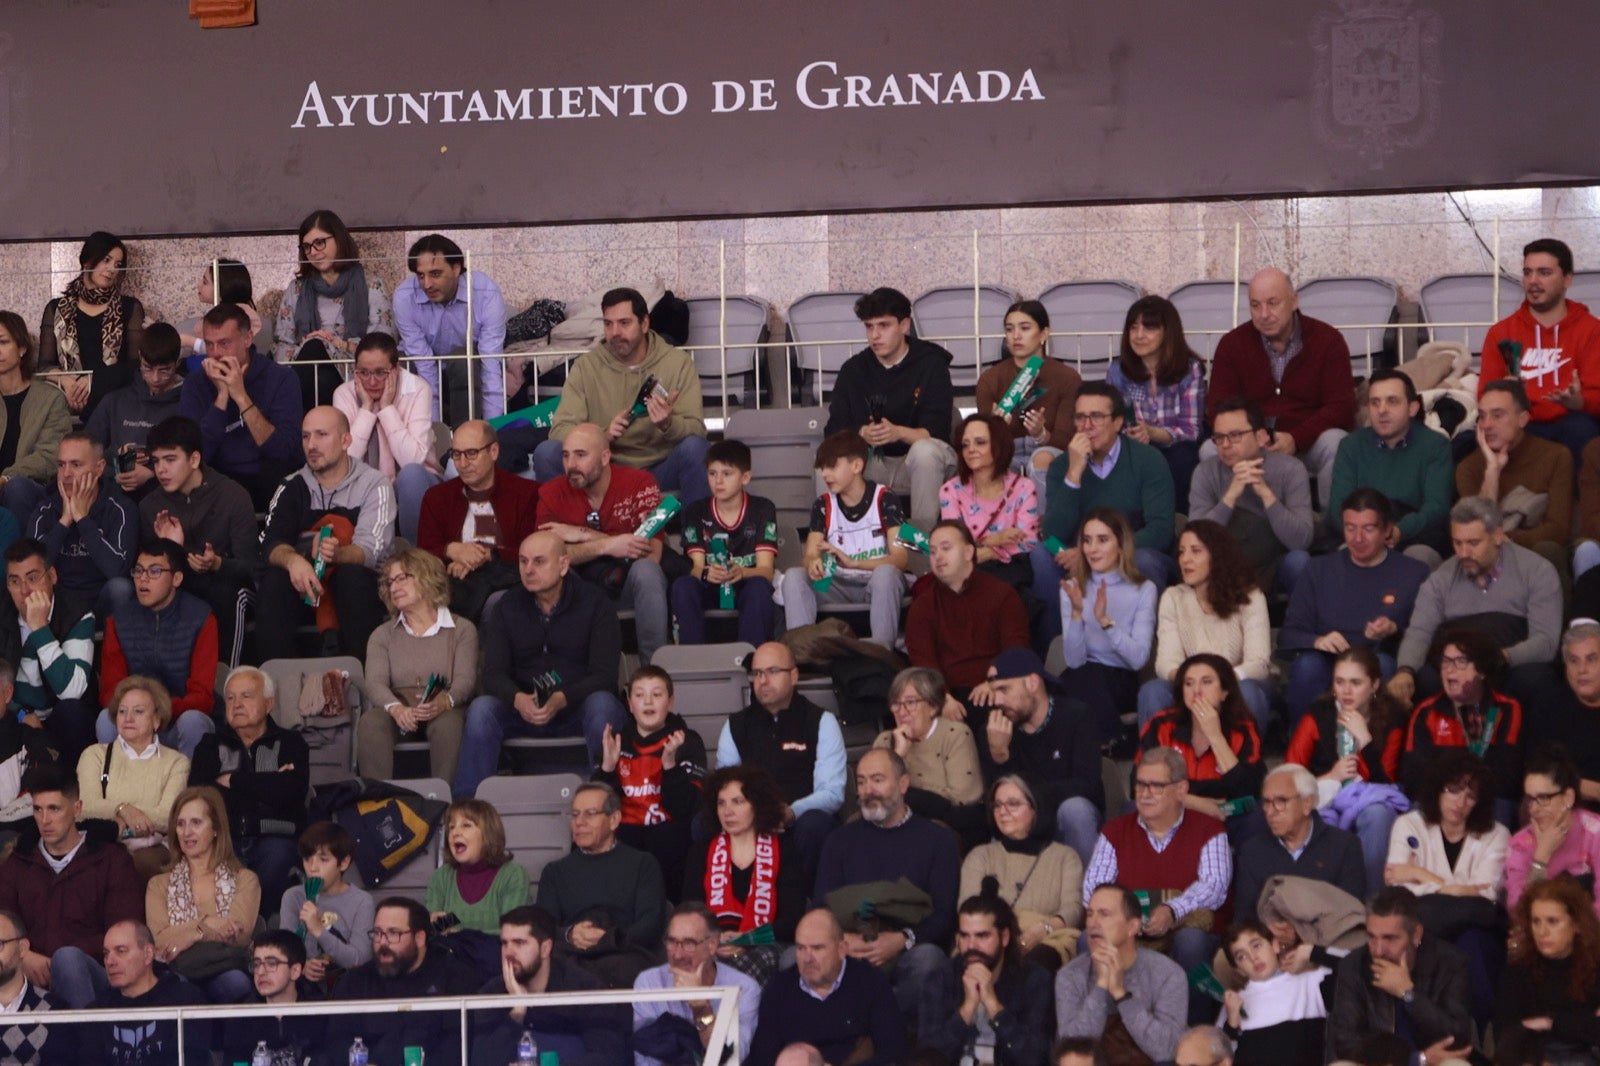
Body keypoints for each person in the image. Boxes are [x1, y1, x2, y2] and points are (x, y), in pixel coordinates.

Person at [453, 531, 628, 799]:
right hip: (523, 708)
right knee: (482, 709)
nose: (528, 570)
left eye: (539, 562)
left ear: (563, 565)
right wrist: (517, 699)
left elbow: (604, 675)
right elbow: (493, 675)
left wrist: (562, 698)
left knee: (603, 704)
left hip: (576, 706)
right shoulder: (506, 606)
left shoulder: (596, 604)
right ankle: (469, 809)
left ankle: (607, 800)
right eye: (523, 562)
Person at [1082, 749, 1229, 1023]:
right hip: (1129, 931)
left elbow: (1214, 888)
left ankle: (1194, 1035)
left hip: (1186, 931)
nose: (1145, 792)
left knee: (1191, 941)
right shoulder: (1115, 831)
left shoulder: (1209, 830)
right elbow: (1094, 889)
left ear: (1181, 789)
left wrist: (1172, 910)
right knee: (1087, 940)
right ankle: (1106, 1035)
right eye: (1140, 783)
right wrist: (1127, 923)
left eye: (1156, 785)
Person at [813, 748, 960, 1021]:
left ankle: (882, 1030)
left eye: (878, 780)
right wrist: (843, 940)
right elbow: (821, 907)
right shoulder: (839, 841)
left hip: (907, 950)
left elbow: (944, 916)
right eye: (861, 781)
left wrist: (901, 939)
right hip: (849, 948)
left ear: (903, 784)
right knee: (793, 960)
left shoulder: (938, 840)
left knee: (929, 961)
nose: (868, 790)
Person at [536, 287, 710, 502]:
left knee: (697, 450)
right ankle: (577, 529)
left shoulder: (677, 363)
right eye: (608, 324)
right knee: (546, 453)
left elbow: (698, 430)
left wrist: (668, 424)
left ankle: (695, 534)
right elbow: (560, 430)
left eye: (624, 323)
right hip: (604, 471)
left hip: (660, 468)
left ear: (644, 324)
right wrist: (602, 436)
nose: (615, 332)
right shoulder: (585, 367)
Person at [1030, 382, 1176, 635]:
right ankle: (1055, 648)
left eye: (1096, 417)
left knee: (1147, 560)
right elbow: (1052, 533)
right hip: (1076, 554)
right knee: (1041, 555)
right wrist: (1074, 473)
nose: (1087, 425)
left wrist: (1095, 554)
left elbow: (1161, 530)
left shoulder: (1148, 460)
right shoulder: (1062, 466)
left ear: (1118, 422)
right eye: (1080, 417)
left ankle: (1145, 646)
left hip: (1130, 552)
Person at [1388, 496, 1562, 707]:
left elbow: (1546, 642)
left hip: (1508, 662)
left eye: (1473, 543)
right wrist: (1405, 671)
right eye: (1457, 543)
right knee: (1422, 680)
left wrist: (1497, 658)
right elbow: (1419, 632)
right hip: (1453, 666)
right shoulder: (1441, 578)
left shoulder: (1537, 571)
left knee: (1537, 678)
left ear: (1497, 535)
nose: (1463, 553)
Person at [1206, 267, 1355, 510]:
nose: (1264, 314)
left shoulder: (1328, 340)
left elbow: (1342, 407)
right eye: (1255, 305)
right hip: (1250, 442)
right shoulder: (1232, 345)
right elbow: (1218, 407)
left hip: (1309, 441)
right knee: (1208, 451)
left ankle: (1334, 529)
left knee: (1336, 443)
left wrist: (1297, 438)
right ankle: (1237, 530)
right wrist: (1251, 437)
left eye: (1273, 303)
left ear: (1294, 300)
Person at [257, 405, 396, 662]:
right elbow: (270, 543)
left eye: (321, 435)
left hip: (354, 589)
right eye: (305, 436)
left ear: (346, 440)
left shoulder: (374, 484)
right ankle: (275, 685)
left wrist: (337, 554)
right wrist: (293, 560)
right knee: (275, 580)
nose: (311, 445)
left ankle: (364, 683)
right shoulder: (291, 485)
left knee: (352, 576)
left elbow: (371, 551)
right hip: (300, 590)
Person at [1279, 488, 1428, 725]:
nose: (1357, 538)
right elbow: (1289, 634)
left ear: (1387, 530)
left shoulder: (1413, 573)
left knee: (1385, 665)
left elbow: (1424, 636)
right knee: (1307, 666)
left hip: (1378, 657)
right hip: (1327, 659)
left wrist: (1394, 630)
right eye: (1350, 528)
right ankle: (1303, 749)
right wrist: (1317, 641)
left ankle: (1377, 752)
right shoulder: (1318, 570)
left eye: (1368, 529)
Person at [0, 763, 142, 1010]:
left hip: (96, 977)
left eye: (54, 809)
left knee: (68, 960)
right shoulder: (17, 863)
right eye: (38, 810)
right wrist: (25, 955)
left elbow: (125, 934)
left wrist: (57, 960)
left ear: (77, 809)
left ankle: (86, 1046)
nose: (45, 820)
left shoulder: (111, 860)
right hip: (27, 975)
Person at [822, 286, 958, 532]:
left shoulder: (931, 364)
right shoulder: (853, 370)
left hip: (918, 463)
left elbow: (937, 432)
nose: (875, 335)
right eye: (869, 327)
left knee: (925, 452)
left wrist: (898, 433)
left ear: (904, 325)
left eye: (883, 326)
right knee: (830, 460)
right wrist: (861, 433)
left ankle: (921, 544)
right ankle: (842, 539)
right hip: (873, 461)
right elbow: (833, 432)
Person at [1385, 749, 1507, 1023]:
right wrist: (1461, 891)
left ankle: (1479, 1030)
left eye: (1471, 796)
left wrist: (1420, 874)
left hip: (1469, 928)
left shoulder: (1497, 834)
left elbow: (1486, 896)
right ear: (1437, 789)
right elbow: (1399, 889)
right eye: (1453, 790)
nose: (1461, 802)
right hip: (1423, 925)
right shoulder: (1409, 825)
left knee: (1474, 940)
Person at [536, 421, 672, 662]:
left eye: (581, 455)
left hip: (628, 587)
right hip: (578, 590)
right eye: (566, 456)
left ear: (605, 456)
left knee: (647, 572)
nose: (571, 465)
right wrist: (608, 545)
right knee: (556, 575)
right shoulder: (550, 493)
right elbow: (547, 561)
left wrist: (584, 535)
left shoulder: (641, 483)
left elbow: (651, 556)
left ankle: (655, 672)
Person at [715, 641, 846, 884]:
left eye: (773, 671)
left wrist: (789, 813)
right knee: (702, 823)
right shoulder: (736, 725)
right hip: (748, 819)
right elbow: (724, 787)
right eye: (757, 673)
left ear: (794, 675)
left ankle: (805, 904)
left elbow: (832, 793)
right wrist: (754, 815)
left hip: (798, 822)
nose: (763, 680)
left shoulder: (821, 722)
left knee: (816, 823)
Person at [187, 665, 310, 916]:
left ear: (269, 704)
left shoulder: (291, 743)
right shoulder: (210, 744)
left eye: (246, 696)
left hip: (274, 838)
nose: (237, 704)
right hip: (224, 841)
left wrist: (232, 781)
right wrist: (267, 784)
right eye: (230, 697)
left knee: (279, 856)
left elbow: (292, 794)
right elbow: (201, 797)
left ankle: (257, 927)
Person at [139, 415, 258, 668]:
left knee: (229, 595)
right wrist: (171, 550)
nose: (161, 470)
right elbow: (146, 571)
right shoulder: (151, 505)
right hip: (182, 583)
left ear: (194, 459)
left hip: (228, 584)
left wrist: (217, 564)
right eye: (156, 461)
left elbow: (251, 567)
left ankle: (226, 679)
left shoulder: (232, 495)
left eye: (170, 460)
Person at [1285, 647, 1409, 892]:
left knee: (1378, 814)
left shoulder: (1393, 718)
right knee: (1319, 819)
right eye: (1339, 682)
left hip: (1371, 797)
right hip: (1324, 796)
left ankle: (1372, 904)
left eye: (1355, 682)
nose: (1346, 691)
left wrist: (1366, 741)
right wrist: (1331, 776)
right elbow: (1290, 776)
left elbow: (1388, 784)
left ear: (1374, 685)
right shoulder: (1319, 715)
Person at [357, 546, 478, 787]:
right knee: (372, 721)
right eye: (390, 581)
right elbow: (375, 682)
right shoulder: (382, 635)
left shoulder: (462, 629)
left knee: (449, 725)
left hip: (445, 708)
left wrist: (444, 701)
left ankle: (447, 807)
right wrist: (396, 709)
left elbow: (466, 680)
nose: (393, 587)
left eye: (402, 578)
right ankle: (375, 805)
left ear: (426, 576)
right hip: (397, 709)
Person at [778, 429, 911, 648]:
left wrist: (855, 563)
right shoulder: (823, 504)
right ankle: (802, 653)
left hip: (875, 584)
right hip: (835, 583)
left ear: (857, 466)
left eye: (832, 467)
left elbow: (901, 558)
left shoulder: (886, 497)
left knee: (887, 574)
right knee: (794, 576)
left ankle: (881, 652)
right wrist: (813, 563)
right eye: (822, 468)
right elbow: (810, 553)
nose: (825, 475)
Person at [1137, 521, 1272, 733]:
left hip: (1236, 685)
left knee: (1249, 691)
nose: (1185, 559)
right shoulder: (1173, 598)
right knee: (1153, 691)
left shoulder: (1251, 596)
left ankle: (1243, 763)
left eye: (1195, 551)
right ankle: (1162, 764)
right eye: (1181, 552)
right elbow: (1166, 664)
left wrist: (1215, 683)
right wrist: (1195, 685)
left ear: (1217, 556)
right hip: (1189, 687)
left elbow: (1259, 663)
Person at [976, 647, 1104, 865]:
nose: (996, 700)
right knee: (1002, 820)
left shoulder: (1076, 716)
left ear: (1032, 683)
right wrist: (999, 756)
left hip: (1067, 817)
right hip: (1022, 819)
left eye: (1004, 689)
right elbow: (994, 798)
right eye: (993, 691)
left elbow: (1087, 784)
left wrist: (1029, 798)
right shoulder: (994, 729)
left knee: (1075, 810)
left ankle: (1090, 895)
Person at [535, 781, 669, 988]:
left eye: (590, 813)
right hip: (571, 956)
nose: (579, 822)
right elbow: (543, 928)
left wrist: (608, 939)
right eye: (575, 814)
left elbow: (650, 926)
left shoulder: (643, 864)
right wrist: (570, 934)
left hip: (624, 955)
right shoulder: (554, 872)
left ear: (614, 820)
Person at [1478, 237, 1600, 461]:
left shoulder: (1592, 330)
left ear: (1567, 279)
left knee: (1582, 432)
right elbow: (1484, 396)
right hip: (1521, 424)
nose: (1533, 281)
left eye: (1544, 273)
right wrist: (1506, 398)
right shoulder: (1501, 333)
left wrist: (1579, 402)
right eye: (1527, 273)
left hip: (1573, 423)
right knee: (1475, 440)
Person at [593, 665, 707, 905]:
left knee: (670, 836)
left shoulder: (688, 741)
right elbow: (596, 807)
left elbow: (686, 809)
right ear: (629, 703)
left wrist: (669, 766)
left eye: (657, 694)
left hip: (668, 833)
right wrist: (607, 770)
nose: (648, 702)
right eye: (639, 695)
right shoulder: (614, 742)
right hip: (625, 832)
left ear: (671, 701)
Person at [94, 539, 218, 758]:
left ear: (177, 578)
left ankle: (189, 792)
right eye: (139, 570)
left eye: (154, 571)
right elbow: (110, 691)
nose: (143, 578)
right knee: (106, 719)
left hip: (177, 719)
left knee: (194, 721)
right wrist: (139, 712)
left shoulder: (200, 617)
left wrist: (156, 710)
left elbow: (202, 696)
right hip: (135, 720)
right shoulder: (119, 620)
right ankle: (118, 790)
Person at [682, 765, 806, 983]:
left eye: (738, 802)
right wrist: (715, 938)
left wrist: (749, 939)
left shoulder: (784, 850)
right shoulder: (701, 851)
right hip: (712, 945)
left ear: (757, 806)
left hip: (768, 944)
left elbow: (792, 920)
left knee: (752, 965)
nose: (727, 811)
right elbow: (691, 912)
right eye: (721, 803)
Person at [1325, 887, 1475, 1065]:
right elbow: (1346, 1042)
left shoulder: (1450, 962)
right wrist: (1418, 1059)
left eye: (1390, 939)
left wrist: (1408, 994)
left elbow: (1457, 1036)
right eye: (1372, 937)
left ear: (1416, 934)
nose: (1378, 950)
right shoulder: (1353, 966)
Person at [177, 302, 304, 512]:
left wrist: (241, 395)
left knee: (278, 474)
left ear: (247, 339)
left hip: (268, 477)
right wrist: (222, 396)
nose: (215, 353)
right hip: (219, 479)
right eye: (209, 344)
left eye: (224, 343)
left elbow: (283, 450)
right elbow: (196, 455)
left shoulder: (282, 379)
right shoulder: (195, 383)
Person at [324, 897, 480, 1066]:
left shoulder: (454, 979)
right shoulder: (354, 981)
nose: (382, 942)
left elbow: (457, 1049)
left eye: (393, 933)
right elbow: (335, 1042)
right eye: (377, 933)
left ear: (420, 938)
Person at [470, 904, 628, 1066]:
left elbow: (609, 1057)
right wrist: (517, 1013)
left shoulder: (583, 990)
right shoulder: (491, 993)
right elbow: (478, 1060)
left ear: (545, 948)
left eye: (519, 943)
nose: (508, 952)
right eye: (504, 943)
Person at [744, 908, 906, 1066]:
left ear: (842, 949)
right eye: (801, 948)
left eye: (817, 948)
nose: (808, 958)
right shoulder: (779, 988)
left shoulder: (870, 983)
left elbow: (893, 1054)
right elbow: (761, 1058)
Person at [144, 785, 260, 1003]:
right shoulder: (158, 885)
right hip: (177, 971)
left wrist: (194, 934)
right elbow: (160, 941)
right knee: (180, 991)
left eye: (196, 823)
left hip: (224, 969)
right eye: (180, 824)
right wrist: (210, 923)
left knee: (235, 983)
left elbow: (238, 935)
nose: (186, 832)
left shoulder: (245, 879)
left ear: (216, 828)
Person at [416, 419, 541, 620]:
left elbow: (534, 551)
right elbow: (422, 555)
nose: (463, 464)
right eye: (456, 455)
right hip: (453, 581)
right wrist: (451, 550)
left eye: (471, 453)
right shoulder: (437, 497)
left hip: (506, 579)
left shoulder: (527, 494)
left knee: (500, 603)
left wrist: (485, 556)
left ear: (493, 452)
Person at [1187, 397, 1314, 595]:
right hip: (1222, 568)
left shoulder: (1290, 469)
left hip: (1273, 565)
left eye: (1235, 435)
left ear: (1261, 436)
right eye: (1219, 438)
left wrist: (1265, 493)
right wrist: (1230, 496)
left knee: (1300, 562)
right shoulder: (1205, 472)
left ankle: (1299, 625)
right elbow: (1195, 542)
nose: (1225, 445)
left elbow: (1301, 540)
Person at [961, 775, 1085, 973]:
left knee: (1036, 967)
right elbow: (968, 909)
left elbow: (1074, 910)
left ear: (1035, 809)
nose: (1003, 812)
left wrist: (1043, 929)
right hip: (987, 938)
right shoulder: (980, 856)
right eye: (997, 805)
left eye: (1013, 804)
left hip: (1050, 940)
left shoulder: (1065, 857)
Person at [1327, 368, 1454, 561]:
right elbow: (1338, 507)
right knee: (1345, 556)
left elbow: (1437, 507)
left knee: (1417, 558)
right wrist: (1368, 533)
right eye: (1375, 403)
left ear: (1412, 408)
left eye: (1392, 401)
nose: (1382, 410)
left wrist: (1398, 531)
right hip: (1363, 535)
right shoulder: (1351, 446)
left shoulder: (1436, 446)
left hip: (1417, 538)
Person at [273, 208, 394, 409]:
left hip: (354, 375)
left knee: (318, 349)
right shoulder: (296, 290)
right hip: (304, 372)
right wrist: (311, 344)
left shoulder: (371, 286)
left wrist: (336, 344)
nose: (313, 252)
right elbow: (281, 348)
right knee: (313, 350)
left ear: (338, 239)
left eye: (319, 243)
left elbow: (384, 346)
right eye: (307, 247)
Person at [1401, 626, 1526, 820]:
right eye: (1446, 661)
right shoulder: (1426, 711)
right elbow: (1413, 776)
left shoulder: (1506, 709)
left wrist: (1465, 792)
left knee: (1501, 807)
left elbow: (1508, 777)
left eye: (1461, 662)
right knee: (1412, 817)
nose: (1450, 669)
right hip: (1438, 800)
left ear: (1482, 671)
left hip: (1487, 800)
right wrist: (1451, 795)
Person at [1054, 884, 1188, 1063]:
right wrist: (1101, 986)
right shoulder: (1070, 975)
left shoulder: (1168, 974)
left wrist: (1121, 995)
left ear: (1133, 927)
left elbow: (1166, 1050)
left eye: (1104, 914)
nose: (1093, 923)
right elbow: (1073, 1053)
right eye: (1090, 914)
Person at [331, 330, 444, 543]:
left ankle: (418, 559)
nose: (371, 381)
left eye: (380, 372)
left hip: (418, 482)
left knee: (410, 475)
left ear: (396, 370)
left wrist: (386, 408)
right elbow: (345, 462)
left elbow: (413, 461)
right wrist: (366, 409)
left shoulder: (418, 389)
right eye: (363, 372)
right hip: (365, 485)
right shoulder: (344, 393)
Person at [1456, 379, 1574, 581]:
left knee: (1549, 549)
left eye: (1497, 415)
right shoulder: (1468, 467)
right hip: (1486, 562)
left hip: (1537, 557)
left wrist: (1506, 539)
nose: (1487, 425)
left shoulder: (1556, 456)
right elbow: (1476, 533)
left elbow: (1558, 529)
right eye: (1482, 417)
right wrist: (1492, 470)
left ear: (1523, 419)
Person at [1059, 507, 1157, 748]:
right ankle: (1111, 741)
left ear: (1121, 544)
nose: (1093, 549)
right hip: (1082, 675)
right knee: (1073, 676)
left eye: (1102, 540)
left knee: (1076, 684)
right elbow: (1073, 661)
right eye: (1087, 540)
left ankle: (1106, 741)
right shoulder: (1071, 588)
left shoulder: (1144, 589)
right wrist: (1077, 614)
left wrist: (1106, 622)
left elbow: (1138, 660)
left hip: (1121, 678)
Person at [76, 676, 190, 880]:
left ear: (157, 719)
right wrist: (123, 809)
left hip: (151, 850)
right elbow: (86, 807)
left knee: (134, 864)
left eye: (138, 711)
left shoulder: (177, 762)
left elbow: (167, 817)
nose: (128, 718)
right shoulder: (94, 755)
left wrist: (119, 816)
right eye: (122, 711)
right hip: (104, 842)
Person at [923, 892, 1055, 1066]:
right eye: (964, 936)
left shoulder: (1034, 980)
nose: (971, 946)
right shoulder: (941, 978)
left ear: (1005, 937)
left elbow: (1035, 1060)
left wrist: (994, 1007)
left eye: (982, 936)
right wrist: (967, 1010)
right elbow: (927, 1059)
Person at [671, 438, 779, 646]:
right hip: (710, 585)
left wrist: (742, 572)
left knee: (759, 587)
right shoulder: (695, 510)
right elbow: (696, 567)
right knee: (683, 586)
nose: (718, 481)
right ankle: (692, 662)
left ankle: (752, 662)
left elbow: (766, 570)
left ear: (745, 477)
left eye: (727, 474)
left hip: (745, 583)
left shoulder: (763, 508)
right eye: (712, 474)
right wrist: (705, 573)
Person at [906, 522, 1030, 702]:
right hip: (946, 698)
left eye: (946, 548)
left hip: (998, 693)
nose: (938, 557)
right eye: (932, 552)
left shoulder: (1003, 595)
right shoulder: (922, 607)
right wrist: (943, 699)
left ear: (968, 553)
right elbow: (924, 664)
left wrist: (994, 683)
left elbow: (1016, 650)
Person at [1105, 295, 1208, 513]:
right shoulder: (1117, 371)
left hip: (1176, 448)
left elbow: (1192, 430)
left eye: (1149, 328)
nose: (1139, 335)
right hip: (1132, 447)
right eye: (1133, 328)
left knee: (1181, 459)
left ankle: (1178, 524)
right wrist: (1131, 433)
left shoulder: (1190, 370)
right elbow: (1112, 421)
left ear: (1167, 332)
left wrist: (1152, 432)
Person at [1138, 654, 1266, 828]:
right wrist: (1197, 804)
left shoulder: (1243, 728)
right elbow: (1138, 784)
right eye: (1188, 683)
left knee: (1255, 815)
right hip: (1174, 810)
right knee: (1135, 809)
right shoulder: (1161, 725)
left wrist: (1215, 736)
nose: (1196, 691)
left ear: (1225, 691)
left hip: (1226, 812)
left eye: (1206, 682)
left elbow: (1250, 792)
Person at [392, 232, 508, 422]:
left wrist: (494, 429)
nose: (427, 284)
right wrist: (435, 434)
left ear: (456, 268)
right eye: (421, 276)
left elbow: (490, 363)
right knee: (401, 366)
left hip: (468, 373)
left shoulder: (485, 291)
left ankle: (468, 441)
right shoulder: (404, 296)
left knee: (463, 358)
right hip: (421, 369)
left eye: (435, 274)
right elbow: (424, 363)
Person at [1233, 764, 1367, 925]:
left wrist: (1303, 940)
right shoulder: (1252, 851)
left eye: (1280, 801)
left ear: (1307, 803)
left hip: (1323, 945)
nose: (1270, 811)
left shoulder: (1344, 846)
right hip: (1269, 945)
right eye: (1267, 802)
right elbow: (1245, 920)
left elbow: (1351, 917)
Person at [2, 537, 97, 761]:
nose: (25, 590)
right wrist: (22, 714)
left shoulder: (77, 613)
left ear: (52, 576)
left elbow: (73, 690)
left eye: (33, 578)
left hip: (59, 717)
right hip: (15, 715)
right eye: (15, 581)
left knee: (73, 712)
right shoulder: (3, 611)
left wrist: (39, 628)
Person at [632, 904, 762, 1066]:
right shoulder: (649, 982)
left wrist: (701, 1007)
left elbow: (731, 1058)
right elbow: (646, 1057)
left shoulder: (744, 988)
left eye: (689, 944)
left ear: (712, 945)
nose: (677, 954)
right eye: (672, 942)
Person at [25, 432, 136, 620]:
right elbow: (30, 570)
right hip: (55, 602)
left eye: (76, 465)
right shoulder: (46, 508)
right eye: (61, 465)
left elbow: (118, 570)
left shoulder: (121, 509)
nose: (66, 474)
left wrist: (83, 520)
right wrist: (65, 521)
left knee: (121, 588)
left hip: (100, 601)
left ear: (99, 468)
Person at [37, 231, 144, 422]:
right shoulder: (56, 309)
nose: (112, 269)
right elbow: (44, 366)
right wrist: (70, 384)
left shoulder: (129, 307)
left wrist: (94, 381)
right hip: (67, 405)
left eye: (118, 265)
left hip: (113, 402)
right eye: (106, 260)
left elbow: (135, 365)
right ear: (87, 261)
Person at [1494, 876, 1600, 1066]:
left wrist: (1549, 1022)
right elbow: (1507, 1034)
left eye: (1552, 921)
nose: (1542, 932)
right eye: (1536, 921)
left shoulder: (1595, 966)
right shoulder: (1519, 970)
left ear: (1576, 924)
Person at [976, 299, 1082, 484]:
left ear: (1044, 333)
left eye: (1024, 328)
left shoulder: (1067, 377)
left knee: (1042, 460)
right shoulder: (989, 379)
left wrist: (1041, 434)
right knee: (994, 464)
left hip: (1050, 450)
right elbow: (983, 442)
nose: (1016, 336)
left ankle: (1042, 514)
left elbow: (1066, 441)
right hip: (1007, 450)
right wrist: (996, 426)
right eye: (1009, 329)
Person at [872, 666, 984, 835]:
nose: (902, 712)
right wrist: (898, 756)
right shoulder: (886, 741)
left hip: (948, 825)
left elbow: (963, 797)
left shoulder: (955, 734)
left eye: (910, 703)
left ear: (932, 706)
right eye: (896, 704)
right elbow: (875, 795)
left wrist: (910, 793)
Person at [426, 799, 530, 979]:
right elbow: (431, 931)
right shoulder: (441, 877)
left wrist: (461, 934)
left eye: (466, 825)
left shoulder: (513, 875)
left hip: (495, 967)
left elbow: (512, 933)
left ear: (488, 834)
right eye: (451, 827)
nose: (455, 832)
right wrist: (434, 924)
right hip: (451, 968)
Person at [940, 412, 1042, 595]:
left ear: (998, 446)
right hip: (968, 576)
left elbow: (1027, 543)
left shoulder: (1024, 487)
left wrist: (982, 552)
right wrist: (992, 542)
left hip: (1011, 576)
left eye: (980, 442)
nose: (970, 449)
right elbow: (952, 547)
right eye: (965, 444)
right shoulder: (951, 490)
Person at [84, 322, 185, 503]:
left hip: (166, 495)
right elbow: (86, 453)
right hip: (113, 491)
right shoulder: (115, 400)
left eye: (164, 370)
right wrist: (117, 469)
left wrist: (152, 474)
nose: (155, 378)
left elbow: (194, 459)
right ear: (139, 358)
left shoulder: (187, 402)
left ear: (177, 363)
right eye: (147, 368)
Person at [87, 920, 208, 1064]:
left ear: (148, 953)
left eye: (121, 951)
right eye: (106, 954)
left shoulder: (186, 1000)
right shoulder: (96, 1011)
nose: (110, 961)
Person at [276, 821, 374, 986]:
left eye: (323, 859)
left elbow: (359, 960)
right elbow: (284, 951)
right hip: (300, 987)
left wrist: (319, 930)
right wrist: (301, 966)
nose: (313, 868)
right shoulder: (293, 897)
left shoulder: (362, 901)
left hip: (346, 987)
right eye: (307, 859)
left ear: (343, 862)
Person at [1218, 921, 1330, 1065]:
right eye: (1242, 956)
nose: (1253, 957)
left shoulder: (1311, 982)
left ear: (1275, 945)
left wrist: (1313, 952)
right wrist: (1231, 1027)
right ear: (1238, 969)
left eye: (1256, 945)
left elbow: (1358, 967)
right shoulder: (1234, 1004)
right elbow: (1218, 1061)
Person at [1506, 751, 1600, 920]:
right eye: (1530, 799)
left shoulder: (1595, 832)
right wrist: (1540, 859)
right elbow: (1518, 912)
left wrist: (1569, 931)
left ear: (1568, 797)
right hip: (1540, 938)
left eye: (1543, 798)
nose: (1533, 809)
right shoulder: (1520, 843)